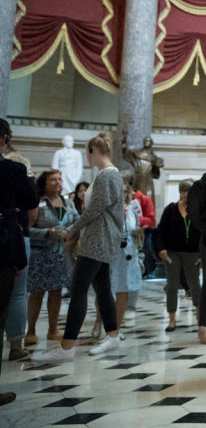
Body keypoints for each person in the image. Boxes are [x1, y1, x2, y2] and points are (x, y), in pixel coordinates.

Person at [33, 133, 125, 362]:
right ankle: (113, 335)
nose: (87, 157)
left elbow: (94, 210)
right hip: (99, 237)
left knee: (79, 289)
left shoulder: (107, 176)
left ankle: (67, 347)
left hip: (98, 239)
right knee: (102, 289)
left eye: (88, 153)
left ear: (93, 151)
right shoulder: (107, 175)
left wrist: (73, 229)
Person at [1, 118, 40, 405]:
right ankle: (16, 344)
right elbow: (31, 206)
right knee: (13, 297)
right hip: (4, 247)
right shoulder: (12, 170)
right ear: (4, 139)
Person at [26, 170, 78, 345]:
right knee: (37, 293)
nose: (58, 182)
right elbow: (26, 229)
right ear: (45, 182)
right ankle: (31, 330)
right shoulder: (38, 203)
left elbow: (77, 222)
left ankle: (53, 329)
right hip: (40, 254)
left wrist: (73, 234)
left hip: (61, 254)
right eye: (53, 179)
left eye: (60, 179)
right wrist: (47, 232)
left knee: (56, 292)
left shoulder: (68, 203)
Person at [155, 179, 201, 333]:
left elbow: (203, 233)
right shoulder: (171, 209)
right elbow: (160, 230)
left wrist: (202, 254)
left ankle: (200, 317)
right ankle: (172, 319)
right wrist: (161, 249)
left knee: (195, 284)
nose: (185, 194)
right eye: (183, 190)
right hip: (173, 252)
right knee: (172, 285)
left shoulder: (198, 210)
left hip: (192, 253)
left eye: (188, 190)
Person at [110, 173, 143, 331]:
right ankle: (101, 323)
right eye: (120, 191)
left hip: (129, 255)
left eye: (125, 191)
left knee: (123, 291)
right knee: (108, 291)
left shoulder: (132, 209)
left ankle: (116, 327)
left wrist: (139, 243)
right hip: (112, 254)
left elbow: (136, 232)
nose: (123, 194)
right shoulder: (109, 210)